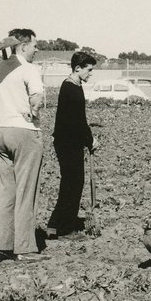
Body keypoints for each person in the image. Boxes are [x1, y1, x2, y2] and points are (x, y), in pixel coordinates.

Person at [0, 29, 50, 263]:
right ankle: (24, 247)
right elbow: (37, 98)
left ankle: (2, 246)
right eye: (35, 45)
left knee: (6, 191)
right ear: (23, 46)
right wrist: (31, 112)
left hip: (2, 130)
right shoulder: (29, 69)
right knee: (26, 191)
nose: (37, 49)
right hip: (25, 131)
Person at [46, 51, 99, 239]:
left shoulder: (74, 85)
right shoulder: (71, 89)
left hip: (68, 142)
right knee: (74, 184)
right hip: (68, 144)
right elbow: (79, 121)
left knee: (69, 183)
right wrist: (91, 141)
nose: (91, 73)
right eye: (89, 70)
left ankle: (54, 225)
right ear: (78, 68)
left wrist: (86, 139)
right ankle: (66, 229)